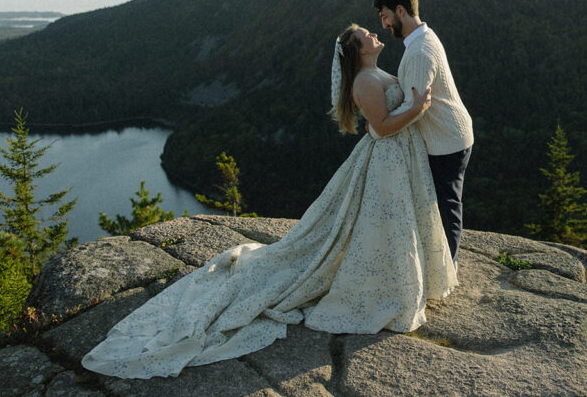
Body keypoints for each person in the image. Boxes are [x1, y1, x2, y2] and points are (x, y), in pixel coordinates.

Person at [81, 24, 457, 379]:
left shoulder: (374, 73)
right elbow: (381, 127)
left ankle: (398, 278)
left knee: (386, 226)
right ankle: (387, 286)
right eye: (366, 34)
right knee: (382, 225)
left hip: (398, 161)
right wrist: (416, 110)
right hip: (385, 161)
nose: (374, 34)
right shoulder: (364, 80)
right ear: (357, 51)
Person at [374, 0, 473, 261]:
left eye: (385, 16)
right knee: (441, 204)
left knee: (446, 205)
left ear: (400, 11)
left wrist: (379, 126)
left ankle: (448, 269)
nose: (383, 24)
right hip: (447, 134)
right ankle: (440, 265)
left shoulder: (419, 51)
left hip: (446, 139)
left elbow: (413, 107)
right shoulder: (423, 38)